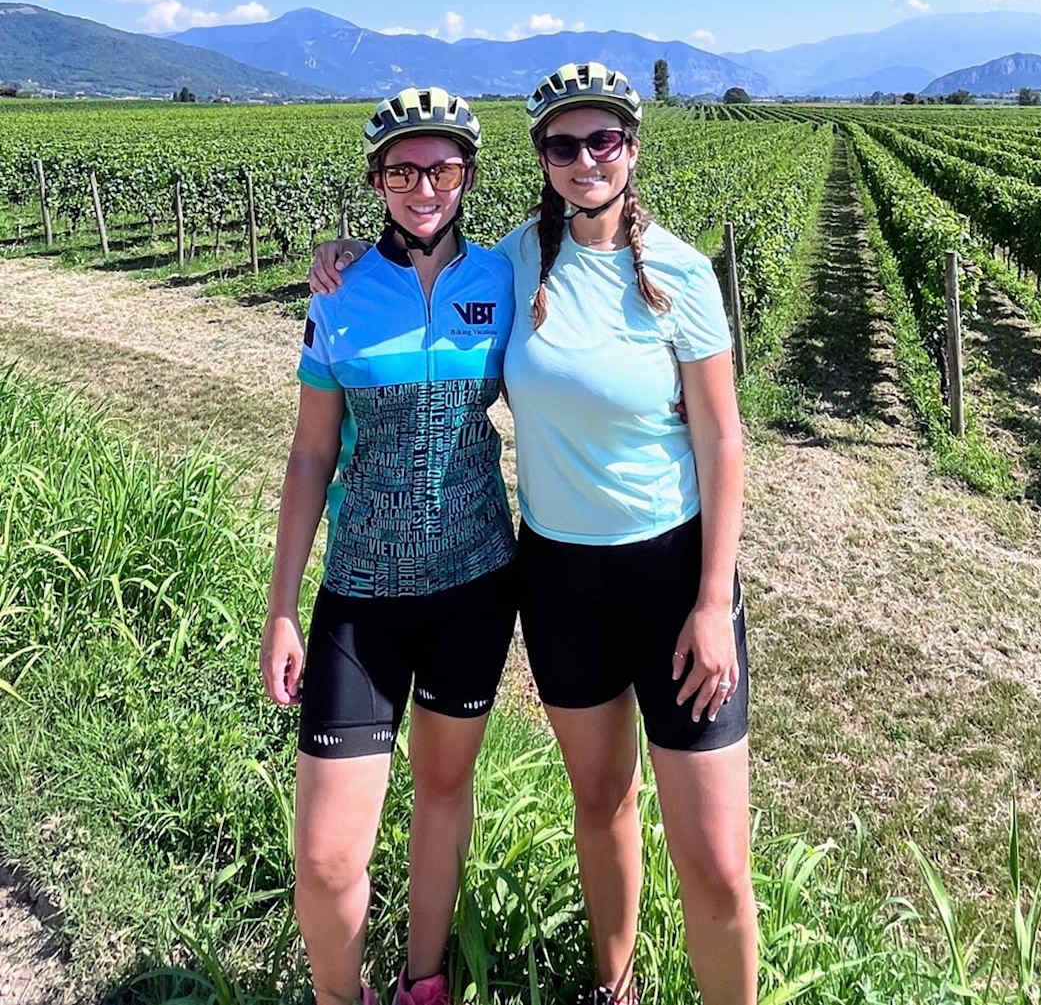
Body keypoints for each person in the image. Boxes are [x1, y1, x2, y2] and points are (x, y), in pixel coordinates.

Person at [312, 63, 757, 1005]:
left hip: (675, 577)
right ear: (540, 158)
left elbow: (722, 437)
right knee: (600, 803)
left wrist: (715, 600)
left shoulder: (678, 271)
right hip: (559, 580)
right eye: (564, 143)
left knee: (716, 864)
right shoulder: (515, 263)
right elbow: (424, 270)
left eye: (603, 140)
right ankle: (615, 984)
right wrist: (345, 254)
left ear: (632, 149)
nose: (585, 158)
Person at [263, 87, 517, 1005]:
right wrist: (283, 607)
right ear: (376, 179)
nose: (423, 184)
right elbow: (310, 453)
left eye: (442, 166)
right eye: (403, 167)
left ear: (468, 176)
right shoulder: (339, 292)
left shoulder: (504, 278)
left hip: (476, 587)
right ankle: (341, 995)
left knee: (444, 793)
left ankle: (423, 981)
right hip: (360, 599)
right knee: (328, 859)